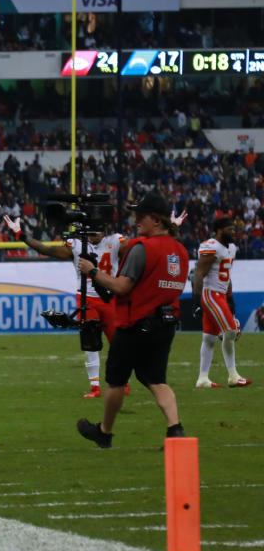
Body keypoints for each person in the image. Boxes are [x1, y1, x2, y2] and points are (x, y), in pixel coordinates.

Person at [76, 191, 189, 448]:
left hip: (136, 323)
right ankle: (175, 429)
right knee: (156, 379)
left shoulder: (142, 248)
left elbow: (122, 286)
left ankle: (104, 432)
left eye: (142, 215)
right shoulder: (180, 250)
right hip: (166, 322)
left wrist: (92, 271)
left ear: (157, 220)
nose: (136, 220)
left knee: (116, 379)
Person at [3, 215, 125, 398]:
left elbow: (141, 248)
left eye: (98, 228)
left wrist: (169, 229)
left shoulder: (115, 241)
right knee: (90, 343)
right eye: (92, 228)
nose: (96, 233)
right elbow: (46, 249)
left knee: (118, 343)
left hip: (110, 297)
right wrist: (21, 234)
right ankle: (95, 387)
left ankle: (122, 381)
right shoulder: (76, 245)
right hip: (87, 299)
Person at [193, 216, 252, 388]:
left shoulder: (231, 248)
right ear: (219, 231)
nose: (234, 232)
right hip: (211, 295)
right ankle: (233, 375)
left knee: (209, 337)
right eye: (230, 229)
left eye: (234, 229)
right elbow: (199, 274)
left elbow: (226, 275)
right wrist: (197, 302)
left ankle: (202, 378)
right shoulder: (211, 246)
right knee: (231, 331)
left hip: (221, 295)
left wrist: (230, 297)